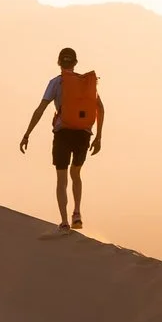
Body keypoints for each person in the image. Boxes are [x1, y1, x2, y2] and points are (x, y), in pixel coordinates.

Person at [18, 47, 105, 230]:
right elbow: (101, 108)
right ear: (75, 63)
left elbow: (40, 109)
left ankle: (65, 221)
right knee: (76, 174)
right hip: (83, 134)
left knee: (61, 178)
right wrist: (98, 137)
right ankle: (77, 214)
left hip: (63, 133)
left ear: (59, 63)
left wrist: (27, 134)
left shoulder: (56, 83)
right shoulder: (86, 84)